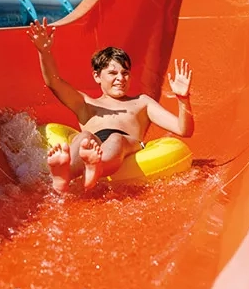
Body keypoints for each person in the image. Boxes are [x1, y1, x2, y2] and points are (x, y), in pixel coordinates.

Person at [26, 18, 194, 193]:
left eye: (125, 73)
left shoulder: (141, 102)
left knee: (116, 138)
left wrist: (183, 98)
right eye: (113, 73)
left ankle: (97, 166)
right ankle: (64, 174)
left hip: (126, 145)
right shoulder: (86, 103)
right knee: (84, 137)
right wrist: (44, 52)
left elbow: (183, 130)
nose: (120, 78)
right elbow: (54, 82)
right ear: (97, 76)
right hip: (93, 144)